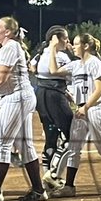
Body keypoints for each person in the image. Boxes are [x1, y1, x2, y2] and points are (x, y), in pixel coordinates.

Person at [46, 32, 101, 197]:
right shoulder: (75, 65)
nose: (73, 46)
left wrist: (85, 107)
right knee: (74, 148)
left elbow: (99, 90)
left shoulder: (95, 63)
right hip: (81, 110)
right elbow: (53, 70)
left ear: (86, 46)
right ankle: (69, 186)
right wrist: (52, 48)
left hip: (95, 109)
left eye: (76, 43)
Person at [0, 16, 49, 201]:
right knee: (25, 146)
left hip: (15, 98)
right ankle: (38, 190)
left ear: (8, 32)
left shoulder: (10, 46)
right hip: (19, 97)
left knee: (2, 144)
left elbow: (1, 79)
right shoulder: (6, 48)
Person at [34, 26, 74, 180]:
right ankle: (53, 174)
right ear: (56, 39)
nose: (67, 41)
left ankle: (46, 175)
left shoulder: (40, 54)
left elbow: (34, 68)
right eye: (65, 38)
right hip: (55, 97)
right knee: (73, 136)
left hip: (41, 95)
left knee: (51, 137)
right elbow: (69, 74)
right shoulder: (61, 56)